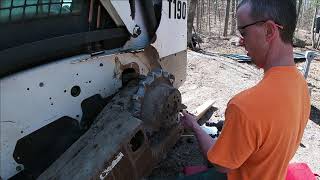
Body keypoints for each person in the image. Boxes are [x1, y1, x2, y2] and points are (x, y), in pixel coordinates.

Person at [179, 0, 311, 180]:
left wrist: (194, 125)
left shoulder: (245, 106)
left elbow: (221, 165)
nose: (241, 42)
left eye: (244, 32)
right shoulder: (301, 86)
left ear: (269, 31)